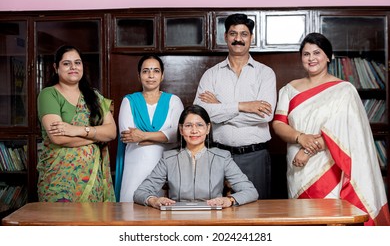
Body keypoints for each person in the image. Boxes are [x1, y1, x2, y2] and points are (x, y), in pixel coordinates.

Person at [272, 32, 390, 226]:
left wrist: (307, 149)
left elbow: (347, 130)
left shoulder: (344, 90)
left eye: (317, 53)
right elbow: (278, 124)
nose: (311, 59)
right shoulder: (289, 89)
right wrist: (300, 137)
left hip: (331, 164)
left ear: (328, 56)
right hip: (297, 168)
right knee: (303, 221)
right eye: (306, 54)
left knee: (331, 220)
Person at [193, 13, 276, 199]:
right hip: (218, 155)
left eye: (244, 34)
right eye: (233, 34)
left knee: (258, 213)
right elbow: (201, 115)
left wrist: (220, 108)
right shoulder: (211, 75)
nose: (238, 39)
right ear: (225, 37)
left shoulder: (265, 74)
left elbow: (265, 116)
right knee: (217, 212)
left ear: (251, 38)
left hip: (255, 156)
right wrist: (243, 106)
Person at [133, 105, 258, 208]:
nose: (194, 130)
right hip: (178, 218)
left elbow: (251, 191)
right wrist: (154, 200)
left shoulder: (222, 157)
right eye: (188, 126)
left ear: (208, 128)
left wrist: (229, 200)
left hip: (214, 217)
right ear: (181, 130)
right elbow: (140, 192)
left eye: (199, 125)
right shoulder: (168, 158)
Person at [37, 45, 116, 202]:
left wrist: (77, 130)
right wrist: (97, 136)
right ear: (56, 67)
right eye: (66, 63)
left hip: (92, 181)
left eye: (77, 63)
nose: (73, 67)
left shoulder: (94, 96)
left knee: (91, 224)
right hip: (58, 181)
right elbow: (58, 139)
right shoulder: (48, 94)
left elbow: (112, 132)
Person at [115, 55, 184, 202]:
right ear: (139, 76)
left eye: (156, 71)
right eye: (146, 71)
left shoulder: (174, 101)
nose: (151, 75)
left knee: (164, 214)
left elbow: (177, 135)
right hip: (135, 167)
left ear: (162, 75)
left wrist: (143, 136)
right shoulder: (129, 101)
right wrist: (164, 139)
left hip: (165, 168)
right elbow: (129, 138)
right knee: (131, 211)